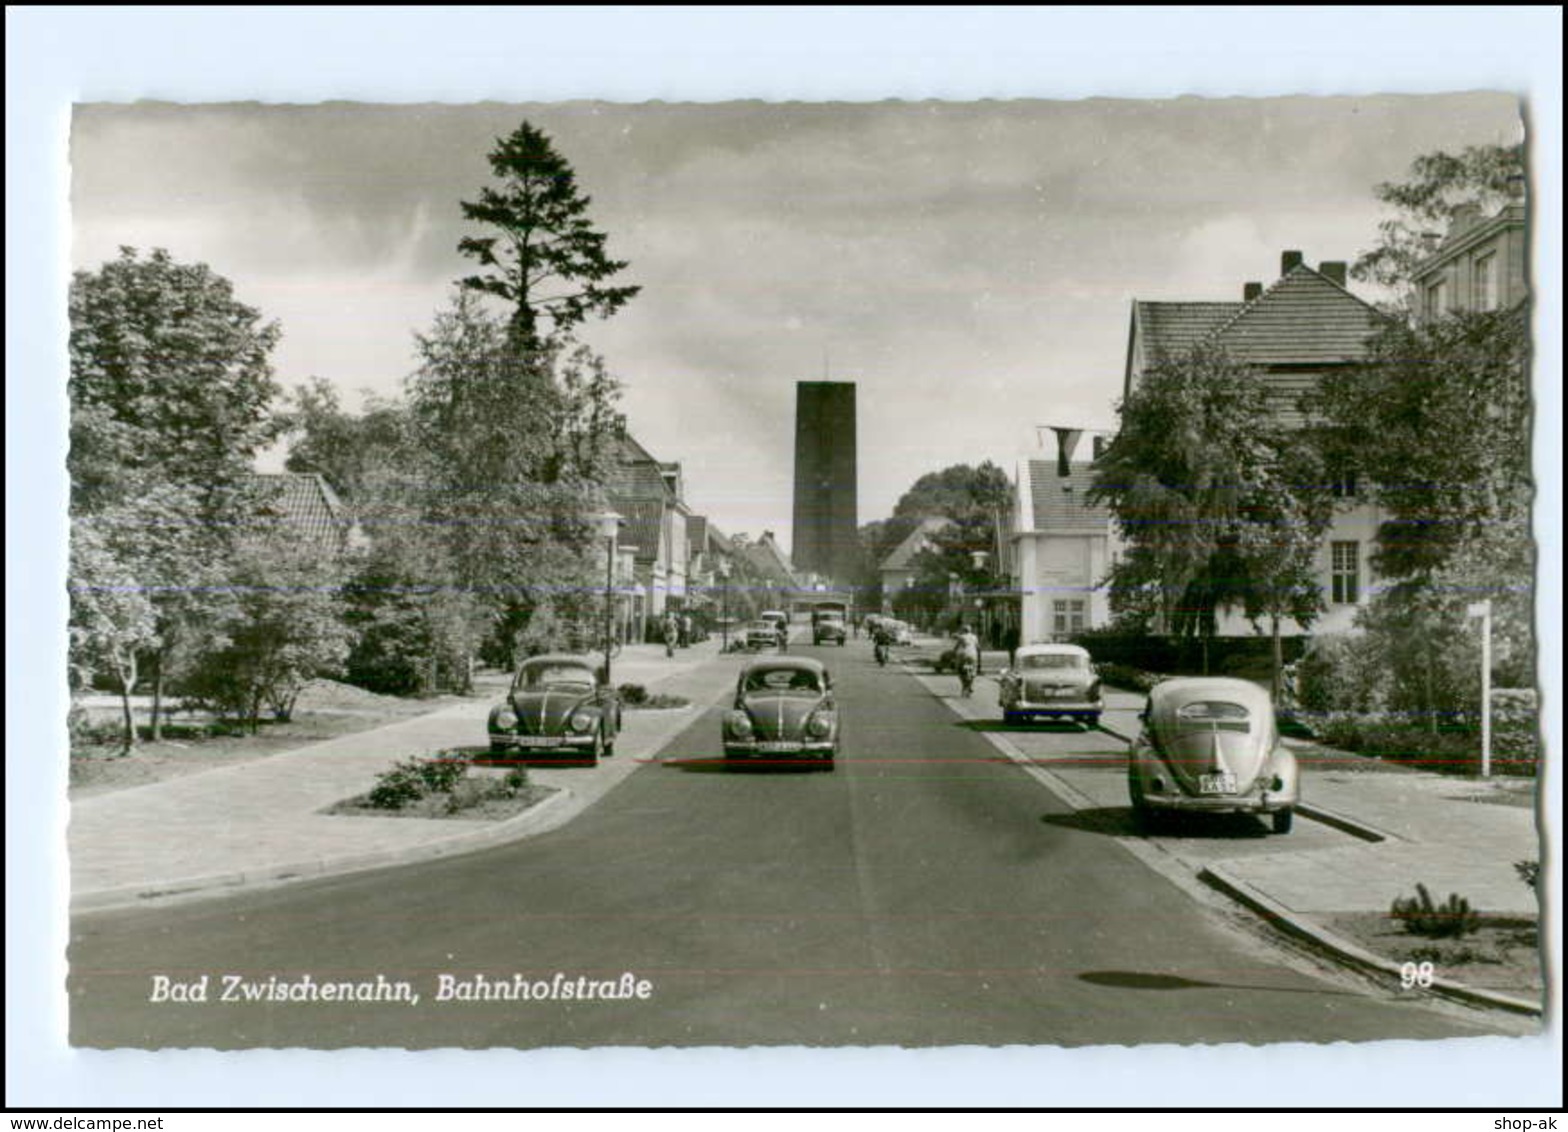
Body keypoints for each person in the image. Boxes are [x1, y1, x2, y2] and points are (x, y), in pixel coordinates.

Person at [952, 622, 981, 696]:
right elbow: (978, 647)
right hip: (973, 656)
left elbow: (956, 647)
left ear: (963, 630)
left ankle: (964, 685)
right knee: (973, 671)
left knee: (959, 670)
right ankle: (971, 686)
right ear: (970, 631)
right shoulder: (974, 637)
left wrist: (953, 653)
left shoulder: (962, 637)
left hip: (963, 656)